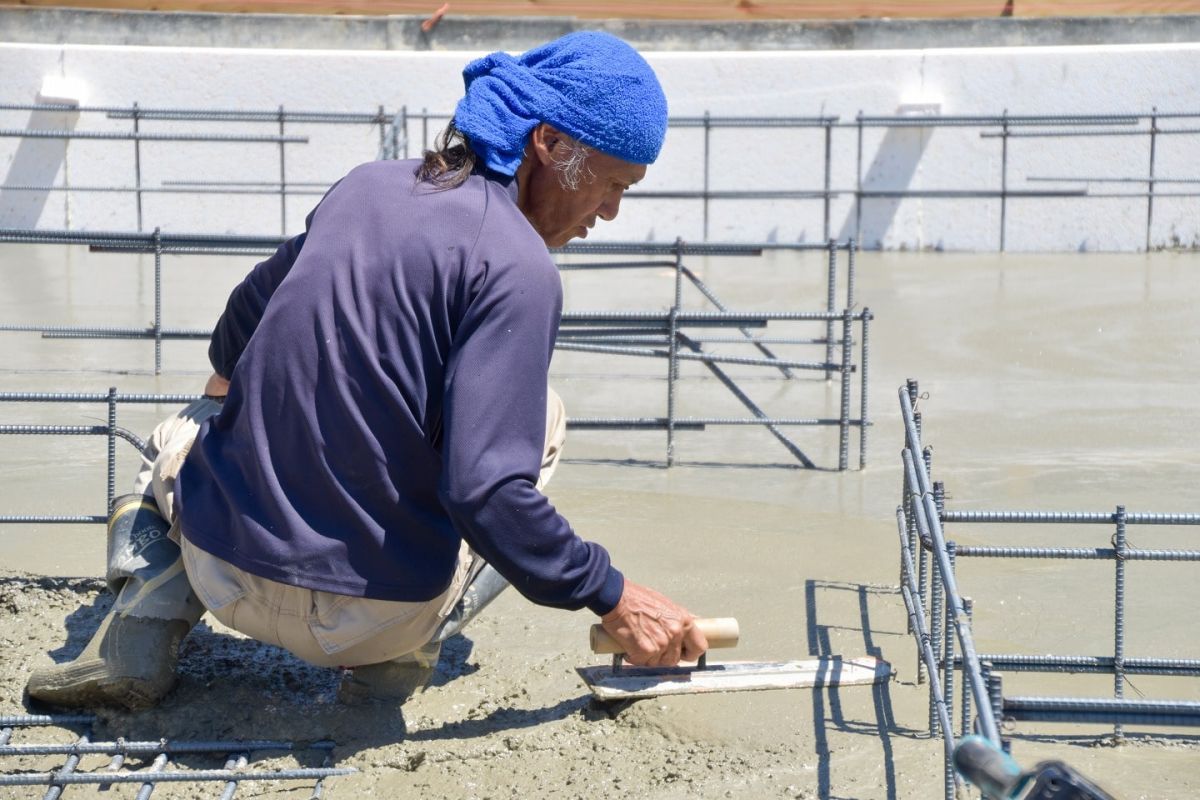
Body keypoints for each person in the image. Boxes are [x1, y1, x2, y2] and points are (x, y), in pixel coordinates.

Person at [26, 30, 708, 711]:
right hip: (374, 621)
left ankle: (140, 630)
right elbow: (488, 493)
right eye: (612, 183)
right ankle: (392, 670)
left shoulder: (368, 185)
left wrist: (232, 414)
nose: (610, 212)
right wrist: (613, 595)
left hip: (221, 571)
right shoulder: (520, 269)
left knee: (180, 428)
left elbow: (243, 319)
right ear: (550, 145)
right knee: (541, 417)